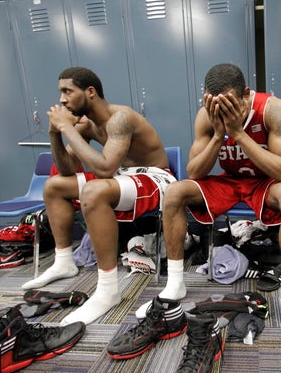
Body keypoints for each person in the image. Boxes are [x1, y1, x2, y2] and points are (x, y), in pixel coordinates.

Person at [137, 63, 281, 351]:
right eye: (214, 106)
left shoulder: (273, 109)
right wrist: (220, 134)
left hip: (264, 181)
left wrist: (239, 134)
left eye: (230, 104)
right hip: (229, 181)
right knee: (174, 192)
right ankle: (176, 284)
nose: (222, 111)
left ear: (245, 95)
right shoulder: (207, 116)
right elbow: (194, 172)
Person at [21, 67, 174, 326]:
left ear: (90, 92)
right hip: (123, 176)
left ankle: (107, 290)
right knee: (54, 186)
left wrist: (67, 127)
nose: (62, 100)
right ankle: (64, 261)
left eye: (67, 91)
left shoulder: (120, 118)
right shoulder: (88, 125)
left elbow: (104, 168)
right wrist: (55, 133)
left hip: (155, 178)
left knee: (93, 190)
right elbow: (68, 168)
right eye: (61, 92)